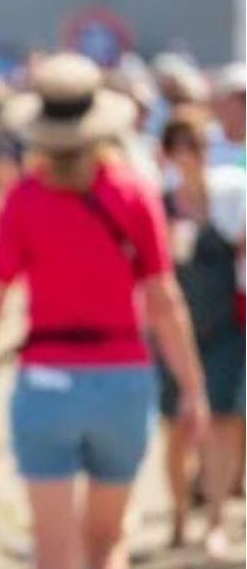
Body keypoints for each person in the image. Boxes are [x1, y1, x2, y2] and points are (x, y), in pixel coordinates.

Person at [0, 53, 209, 569]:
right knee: (107, 542)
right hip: (123, 377)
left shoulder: (25, 199)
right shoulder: (133, 193)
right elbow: (165, 302)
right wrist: (192, 386)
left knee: (53, 554)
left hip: (47, 379)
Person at [157, 107, 246, 558]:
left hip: (226, 327)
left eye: (200, 146)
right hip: (177, 328)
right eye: (184, 147)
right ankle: (176, 518)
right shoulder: (161, 202)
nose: (193, 155)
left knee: (225, 424)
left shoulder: (232, 194)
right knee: (175, 427)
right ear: (170, 153)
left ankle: (215, 521)